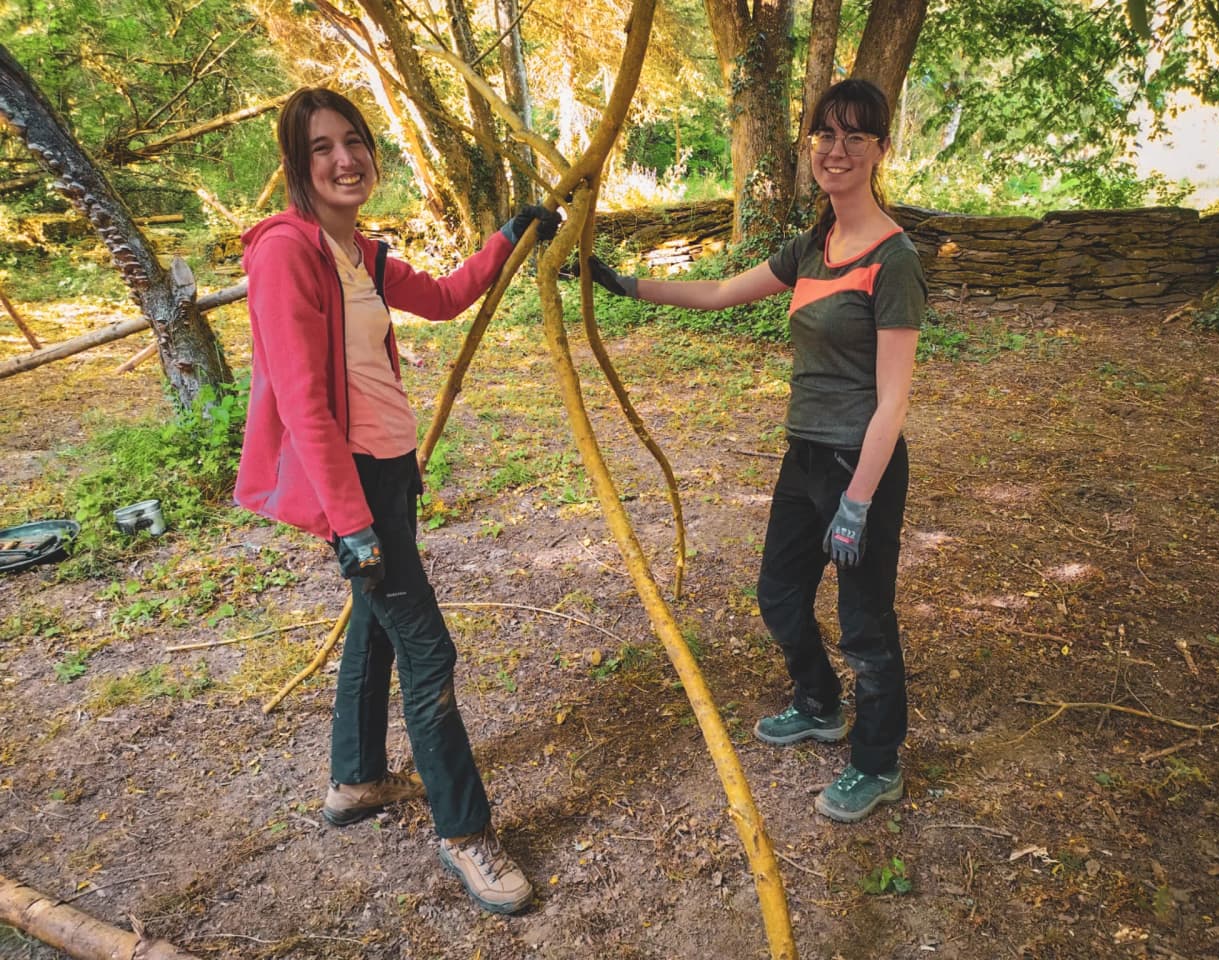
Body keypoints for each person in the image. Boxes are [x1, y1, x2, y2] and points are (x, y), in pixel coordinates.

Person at [234, 87, 560, 913]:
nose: (345, 159)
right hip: (352, 487)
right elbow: (305, 401)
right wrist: (352, 526)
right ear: (296, 164)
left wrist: (509, 237)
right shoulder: (285, 253)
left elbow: (447, 298)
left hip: (388, 471)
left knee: (377, 638)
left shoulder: (363, 254)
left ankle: (355, 780)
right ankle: (464, 834)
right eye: (321, 148)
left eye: (354, 142)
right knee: (428, 652)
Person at [581, 79, 924, 824]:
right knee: (778, 594)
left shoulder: (894, 259)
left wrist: (859, 503)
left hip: (858, 467)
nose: (837, 150)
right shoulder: (813, 245)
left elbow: (893, 400)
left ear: (879, 150)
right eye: (825, 135)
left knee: (866, 623)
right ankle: (819, 703)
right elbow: (717, 294)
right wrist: (623, 284)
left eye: (855, 137)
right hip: (804, 457)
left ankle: (878, 761)